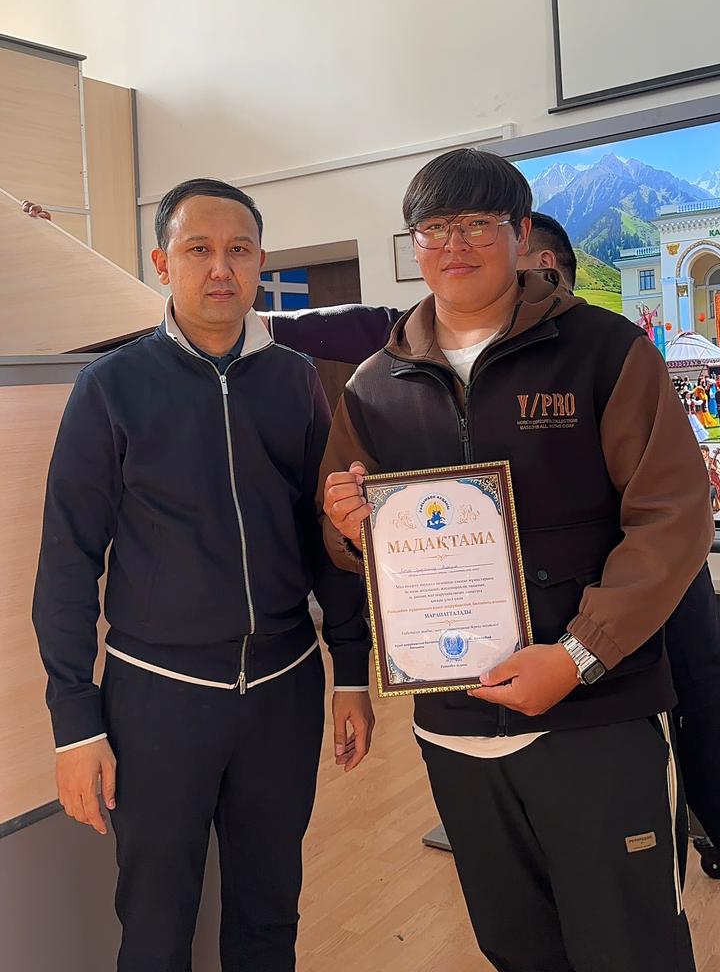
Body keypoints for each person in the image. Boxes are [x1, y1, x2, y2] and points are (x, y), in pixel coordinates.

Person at [318, 149, 713, 972]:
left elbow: (671, 518)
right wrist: (349, 527)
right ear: (414, 243)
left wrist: (578, 657)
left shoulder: (604, 352)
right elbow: (352, 545)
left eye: (477, 224)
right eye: (434, 228)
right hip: (454, 723)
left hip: (596, 715)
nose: (453, 244)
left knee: (631, 947)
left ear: (521, 234)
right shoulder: (374, 386)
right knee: (517, 947)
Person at [32, 178, 373, 972]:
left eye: (239, 250)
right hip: (158, 696)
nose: (221, 268)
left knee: (268, 916)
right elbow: (68, 558)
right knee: (155, 927)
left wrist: (351, 671)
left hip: (284, 688)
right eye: (199, 249)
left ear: (259, 264)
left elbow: (327, 532)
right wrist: (75, 721)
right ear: (163, 263)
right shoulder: (110, 387)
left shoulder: (295, 379)